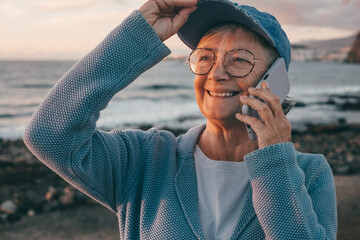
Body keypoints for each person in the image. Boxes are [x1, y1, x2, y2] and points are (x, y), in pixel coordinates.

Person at [24, 0, 337, 239]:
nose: (216, 73)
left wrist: (276, 163)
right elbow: (49, 134)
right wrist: (136, 37)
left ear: (276, 81)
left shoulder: (309, 174)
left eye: (239, 60)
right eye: (205, 58)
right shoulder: (144, 160)